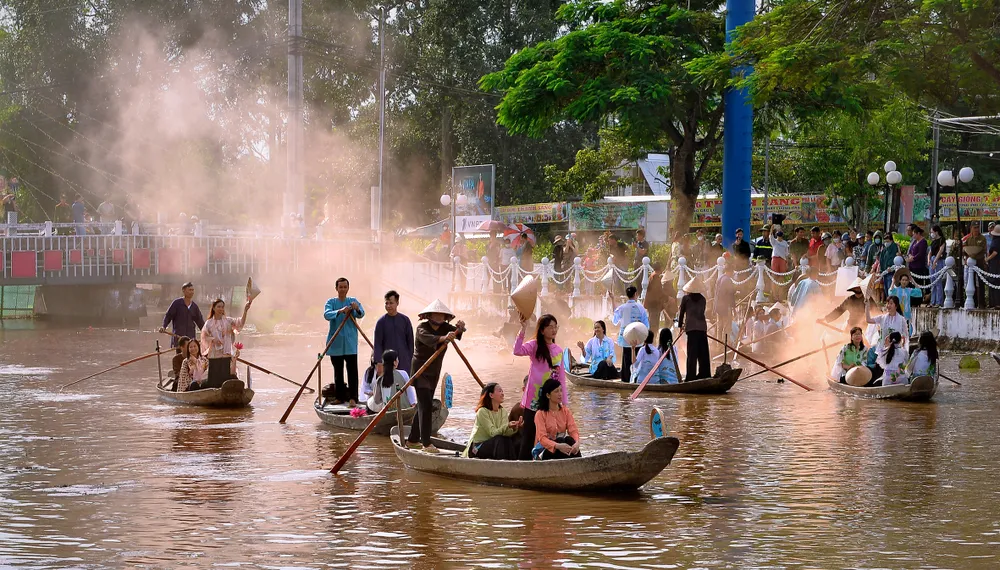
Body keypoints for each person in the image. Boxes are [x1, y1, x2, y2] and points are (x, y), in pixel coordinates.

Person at [408, 299, 465, 453]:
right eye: (436, 314)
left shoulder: (445, 327)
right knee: (425, 406)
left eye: (442, 315)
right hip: (420, 371)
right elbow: (428, 339)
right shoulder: (422, 328)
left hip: (434, 372)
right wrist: (443, 338)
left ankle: (412, 439)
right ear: (430, 315)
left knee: (423, 405)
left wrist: (460, 328)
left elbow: (457, 334)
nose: (439, 317)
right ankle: (426, 443)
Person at [514, 314, 565, 461]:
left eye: (556, 327)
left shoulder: (558, 350)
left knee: (550, 433)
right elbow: (517, 351)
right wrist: (522, 329)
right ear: (542, 330)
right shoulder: (534, 345)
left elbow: (561, 379)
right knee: (529, 434)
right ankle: (522, 466)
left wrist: (564, 403)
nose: (554, 330)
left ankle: (544, 462)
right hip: (534, 398)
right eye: (550, 327)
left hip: (551, 399)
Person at [323, 277, 365, 406]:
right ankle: (339, 397)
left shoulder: (353, 301)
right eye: (340, 287)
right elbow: (327, 314)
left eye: (345, 287)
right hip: (335, 343)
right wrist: (340, 311)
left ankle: (353, 398)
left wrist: (356, 308)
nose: (342, 289)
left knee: (352, 371)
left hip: (350, 344)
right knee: (338, 372)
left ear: (348, 288)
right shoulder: (331, 302)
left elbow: (361, 314)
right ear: (336, 289)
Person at [463, 382, 522, 460]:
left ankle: (512, 464)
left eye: (502, 391)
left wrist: (514, 427)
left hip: (494, 445)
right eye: (500, 391)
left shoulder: (503, 411)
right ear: (491, 395)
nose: (503, 394)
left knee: (508, 439)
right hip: (477, 448)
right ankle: (504, 466)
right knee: (499, 439)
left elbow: (505, 432)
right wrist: (507, 426)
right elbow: (492, 433)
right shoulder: (482, 412)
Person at [201, 298, 251, 388]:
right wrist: (213, 339)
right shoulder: (208, 323)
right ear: (213, 308)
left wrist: (245, 311)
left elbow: (240, 323)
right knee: (213, 380)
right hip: (214, 354)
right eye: (219, 307)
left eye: (222, 307)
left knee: (225, 378)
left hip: (226, 354)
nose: (221, 309)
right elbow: (204, 337)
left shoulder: (228, 321)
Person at [531, 378, 581, 460]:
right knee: (560, 440)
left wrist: (576, 443)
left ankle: (578, 464)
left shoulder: (565, 411)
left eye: (561, 390)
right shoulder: (540, 414)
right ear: (548, 395)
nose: (560, 394)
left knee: (569, 440)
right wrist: (557, 445)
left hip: (562, 448)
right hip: (545, 450)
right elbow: (542, 438)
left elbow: (573, 430)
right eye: (556, 391)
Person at [611, 286, 649, 383]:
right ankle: (636, 380)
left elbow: (615, 320)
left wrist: (612, 300)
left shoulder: (622, 308)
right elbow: (646, 326)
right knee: (637, 359)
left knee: (626, 359)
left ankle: (626, 380)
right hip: (639, 338)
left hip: (626, 337)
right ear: (636, 294)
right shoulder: (641, 308)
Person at [373, 290, 414, 376]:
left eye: (391, 303)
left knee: (403, 385)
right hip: (387, 362)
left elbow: (410, 342)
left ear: (397, 303)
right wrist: (379, 362)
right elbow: (378, 344)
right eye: (386, 303)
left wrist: (409, 359)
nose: (388, 306)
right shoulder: (381, 322)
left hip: (404, 361)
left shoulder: (405, 320)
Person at [678, 277, 710, 381]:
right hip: (702, 329)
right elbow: (701, 313)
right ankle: (704, 374)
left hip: (691, 329)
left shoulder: (685, 299)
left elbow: (682, 313)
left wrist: (680, 326)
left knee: (692, 354)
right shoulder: (703, 299)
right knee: (703, 353)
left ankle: (690, 377)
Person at [366, 349, 417, 414]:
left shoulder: (380, 379)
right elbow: (410, 393)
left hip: (387, 413)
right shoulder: (403, 374)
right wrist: (413, 405)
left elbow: (377, 400)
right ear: (394, 362)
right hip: (404, 410)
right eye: (397, 359)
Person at [160, 282, 206, 348]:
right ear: (183, 291)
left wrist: (206, 333)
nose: (192, 292)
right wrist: (164, 326)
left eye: (192, 290)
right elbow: (168, 316)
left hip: (190, 338)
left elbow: (200, 322)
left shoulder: (194, 306)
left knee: (190, 355)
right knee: (179, 356)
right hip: (179, 337)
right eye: (189, 290)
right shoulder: (176, 303)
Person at [887, 270, 922, 335]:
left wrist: (913, 281)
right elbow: (890, 292)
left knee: (907, 329)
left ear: (908, 281)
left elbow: (919, 291)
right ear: (900, 281)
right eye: (903, 280)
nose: (904, 281)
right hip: (898, 311)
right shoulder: (896, 290)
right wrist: (893, 281)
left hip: (907, 313)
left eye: (906, 280)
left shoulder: (909, 290)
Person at [965, 223, 988, 308]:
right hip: (971, 263)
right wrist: (967, 258)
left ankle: (982, 303)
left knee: (981, 283)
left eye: (978, 227)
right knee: (971, 281)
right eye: (975, 228)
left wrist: (974, 255)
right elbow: (965, 250)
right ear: (971, 228)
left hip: (979, 261)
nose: (976, 229)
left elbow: (984, 250)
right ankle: (973, 301)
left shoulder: (982, 238)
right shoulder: (968, 239)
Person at [644, 262, 668, 333]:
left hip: (652, 304)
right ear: (660, 268)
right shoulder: (655, 276)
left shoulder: (652, 275)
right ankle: (653, 340)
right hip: (654, 304)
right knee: (654, 325)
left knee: (652, 323)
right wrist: (667, 298)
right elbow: (658, 291)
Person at [878, 232, 901, 298]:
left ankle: (892, 302)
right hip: (885, 272)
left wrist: (891, 268)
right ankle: (889, 302)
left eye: (887, 241)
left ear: (891, 240)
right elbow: (881, 260)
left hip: (892, 272)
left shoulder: (895, 247)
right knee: (886, 289)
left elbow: (898, 259)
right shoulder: (884, 249)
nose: (886, 243)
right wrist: (881, 271)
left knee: (890, 289)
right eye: (885, 241)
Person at [929, 225, 946, 307]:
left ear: (936, 232)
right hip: (932, 260)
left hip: (938, 260)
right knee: (932, 282)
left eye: (932, 232)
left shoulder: (942, 240)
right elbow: (930, 252)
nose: (931, 234)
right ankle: (933, 301)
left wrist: (935, 261)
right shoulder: (933, 241)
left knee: (938, 281)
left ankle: (939, 301)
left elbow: (941, 251)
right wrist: (929, 260)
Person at [987, 223, 1000, 308]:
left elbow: (995, 252)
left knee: (994, 282)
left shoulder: (996, 241)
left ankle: (995, 303)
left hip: (995, 265)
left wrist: (987, 259)